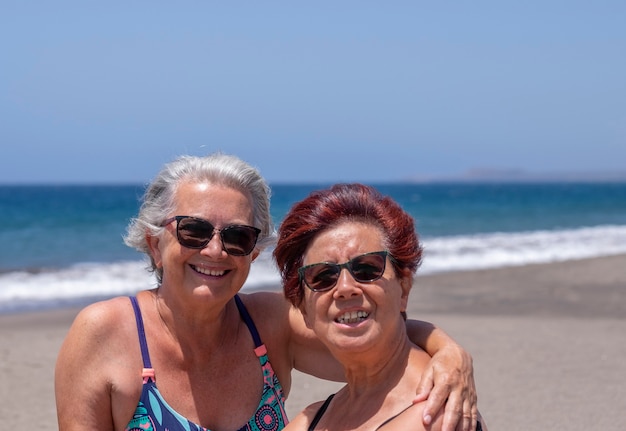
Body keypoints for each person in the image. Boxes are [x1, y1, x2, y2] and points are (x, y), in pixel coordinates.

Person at [55, 153, 477, 431]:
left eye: (237, 236)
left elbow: (370, 336)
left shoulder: (268, 325)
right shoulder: (104, 333)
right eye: (194, 230)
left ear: (253, 253)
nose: (215, 250)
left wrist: (449, 353)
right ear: (154, 244)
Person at [273, 183, 486, 431]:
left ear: (404, 288)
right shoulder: (313, 416)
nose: (345, 287)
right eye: (322, 277)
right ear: (304, 310)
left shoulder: (437, 415)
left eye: (366, 269)